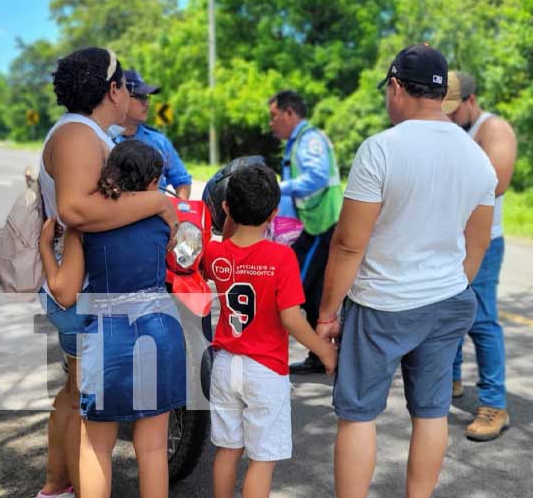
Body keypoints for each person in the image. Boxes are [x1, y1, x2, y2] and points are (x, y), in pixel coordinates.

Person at [317, 45, 498, 498]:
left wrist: (326, 314)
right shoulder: (477, 156)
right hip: (448, 302)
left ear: (396, 87)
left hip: (382, 304)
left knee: (358, 414)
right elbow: (476, 244)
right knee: (432, 411)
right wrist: (449, 284)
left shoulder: (381, 149)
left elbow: (348, 243)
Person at [35, 47, 179, 498]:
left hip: (95, 298)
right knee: (100, 423)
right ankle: (57, 484)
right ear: (112, 89)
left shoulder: (85, 133)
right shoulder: (79, 133)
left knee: (80, 406)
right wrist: (159, 202)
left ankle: (57, 485)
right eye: (125, 85)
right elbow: (76, 208)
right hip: (99, 299)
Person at [203, 164, 337, 498]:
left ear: (226, 208)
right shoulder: (281, 257)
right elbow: (291, 319)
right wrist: (324, 351)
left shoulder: (214, 252)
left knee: (227, 449)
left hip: (224, 365)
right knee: (262, 459)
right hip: (264, 369)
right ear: (275, 213)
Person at [443, 71, 517, 441]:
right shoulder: (454, 129)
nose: (449, 118)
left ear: (471, 101)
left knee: (482, 320)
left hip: (482, 242)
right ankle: (451, 380)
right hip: (449, 240)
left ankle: (494, 404)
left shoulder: (493, 129)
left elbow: (498, 181)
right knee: (450, 314)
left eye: (453, 111)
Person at [267, 90, 343, 375]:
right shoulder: (298, 140)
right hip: (314, 225)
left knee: (291, 290)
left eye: (274, 116)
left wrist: (278, 188)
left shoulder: (309, 140)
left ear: (290, 113)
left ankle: (316, 352)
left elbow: (317, 177)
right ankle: (323, 354)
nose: (271, 123)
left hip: (320, 226)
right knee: (315, 293)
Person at [113, 69, 192, 199]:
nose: (147, 103)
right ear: (120, 97)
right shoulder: (102, 138)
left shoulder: (159, 141)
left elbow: (182, 181)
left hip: (157, 216)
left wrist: (179, 212)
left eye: (147, 97)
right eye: (139, 96)